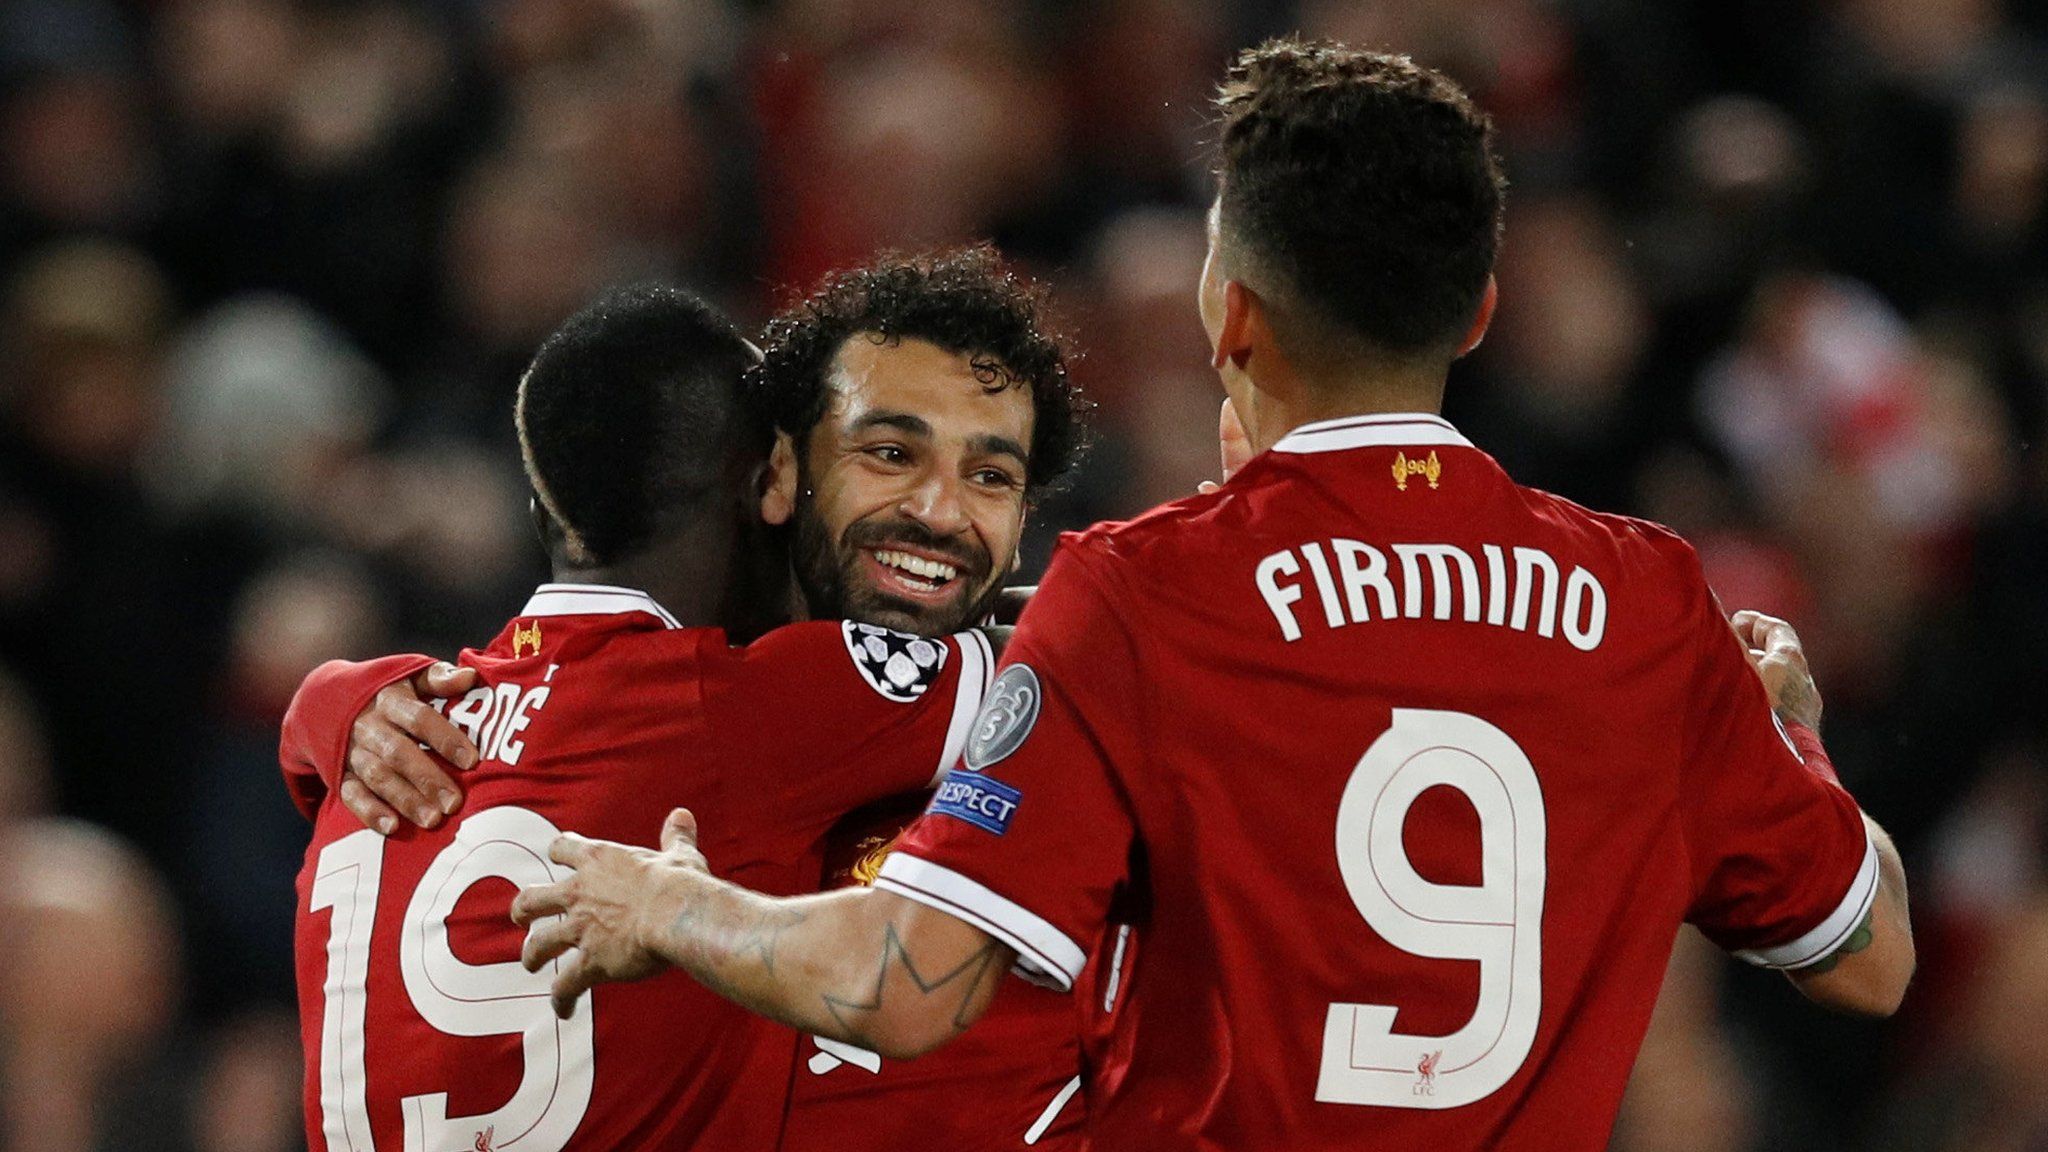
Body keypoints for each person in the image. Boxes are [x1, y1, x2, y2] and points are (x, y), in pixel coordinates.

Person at [510, 40, 1916, 1151]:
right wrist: (1791, 732)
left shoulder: (1146, 592)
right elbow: (1868, 959)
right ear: (1479, 310)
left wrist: (667, 903)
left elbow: (904, 982)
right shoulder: (1648, 602)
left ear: (1226, 309)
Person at [285, 250, 1108, 1149]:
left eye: (992, 476)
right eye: (888, 452)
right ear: (780, 482)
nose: (940, 512)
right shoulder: (751, 708)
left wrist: (324, 705)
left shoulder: (401, 752)